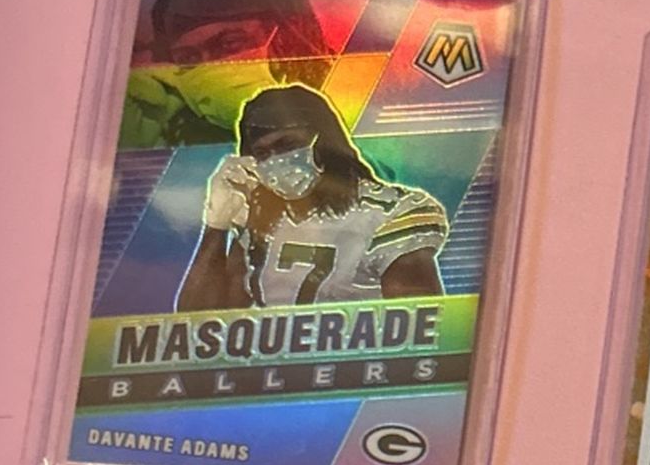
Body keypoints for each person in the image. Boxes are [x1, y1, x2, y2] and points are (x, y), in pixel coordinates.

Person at [175, 83, 449, 312]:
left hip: (353, 357)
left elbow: (417, 327)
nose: (276, 160)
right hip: (276, 359)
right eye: (262, 153)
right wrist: (216, 224)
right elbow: (196, 326)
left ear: (324, 140)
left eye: (288, 145)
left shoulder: (390, 212)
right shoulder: (261, 218)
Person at [122, 0, 335, 150]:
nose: (210, 67)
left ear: (287, 38)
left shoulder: (350, 99)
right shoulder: (182, 138)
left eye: (230, 44)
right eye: (189, 58)